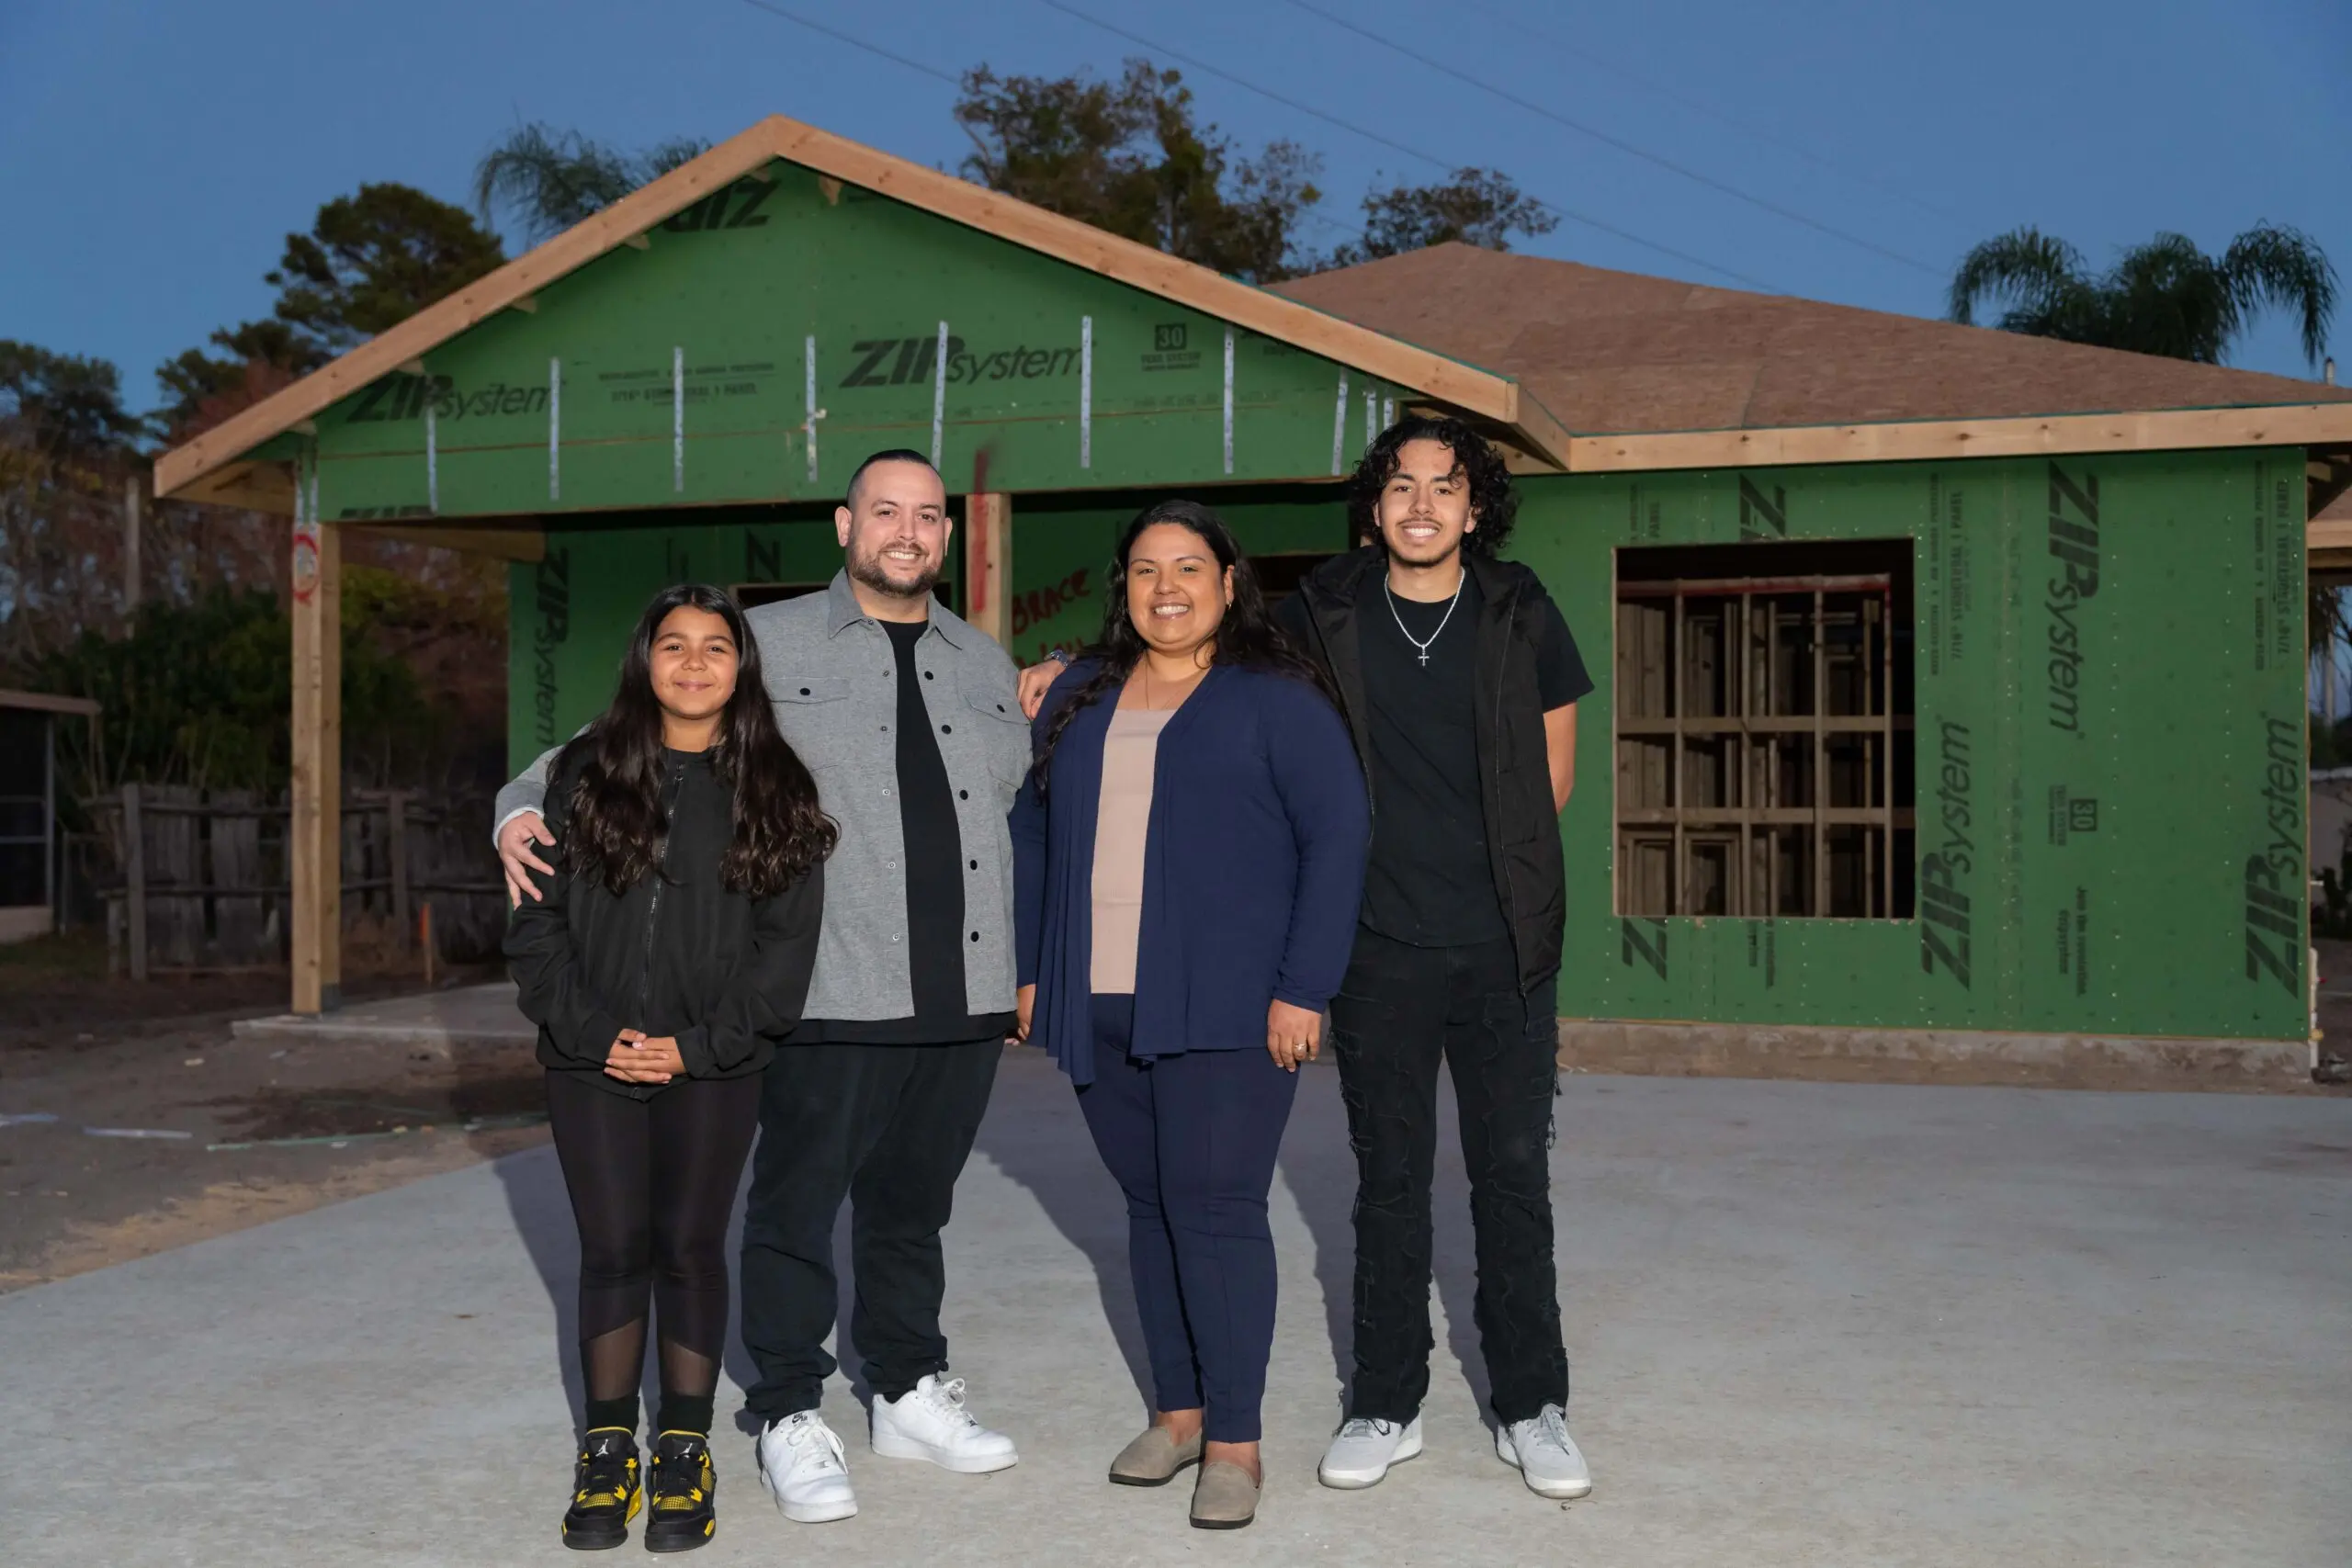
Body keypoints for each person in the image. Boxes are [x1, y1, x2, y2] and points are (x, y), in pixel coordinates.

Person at [500, 450, 1031, 1528]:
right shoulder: (766, 643)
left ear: (946, 533)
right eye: (885, 511)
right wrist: (513, 805)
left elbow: (1021, 804)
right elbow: (602, 744)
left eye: (928, 515)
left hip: (962, 992)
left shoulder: (984, 663)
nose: (908, 532)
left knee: (913, 1209)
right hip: (831, 988)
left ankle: (906, 1387)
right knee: (794, 1212)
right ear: (845, 524)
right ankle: (788, 1408)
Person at [1011, 500, 1367, 1530]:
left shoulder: (1277, 697)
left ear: (1227, 582)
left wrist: (1304, 987)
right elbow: (1031, 831)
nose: (1165, 588)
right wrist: (1033, 969)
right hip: (1096, 995)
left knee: (1215, 1207)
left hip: (1228, 1003)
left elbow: (1339, 837)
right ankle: (1177, 1414)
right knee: (1149, 1206)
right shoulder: (1077, 690)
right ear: (1122, 586)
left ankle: (1235, 1441)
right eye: (1144, 569)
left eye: (1188, 568)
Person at [506, 583, 831, 1553]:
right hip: (589, 1059)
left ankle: (684, 1448)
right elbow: (535, 926)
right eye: (673, 645)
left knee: (689, 1249)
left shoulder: (776, 790)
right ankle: (607, 1448)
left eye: (715, 647)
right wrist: (594, 1031)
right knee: (611, 1250)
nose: (693, 663)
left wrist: (696, 1045)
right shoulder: (581, 775)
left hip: (713, 1067)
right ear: (644, 661)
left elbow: (784, 958)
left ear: (742, 667)